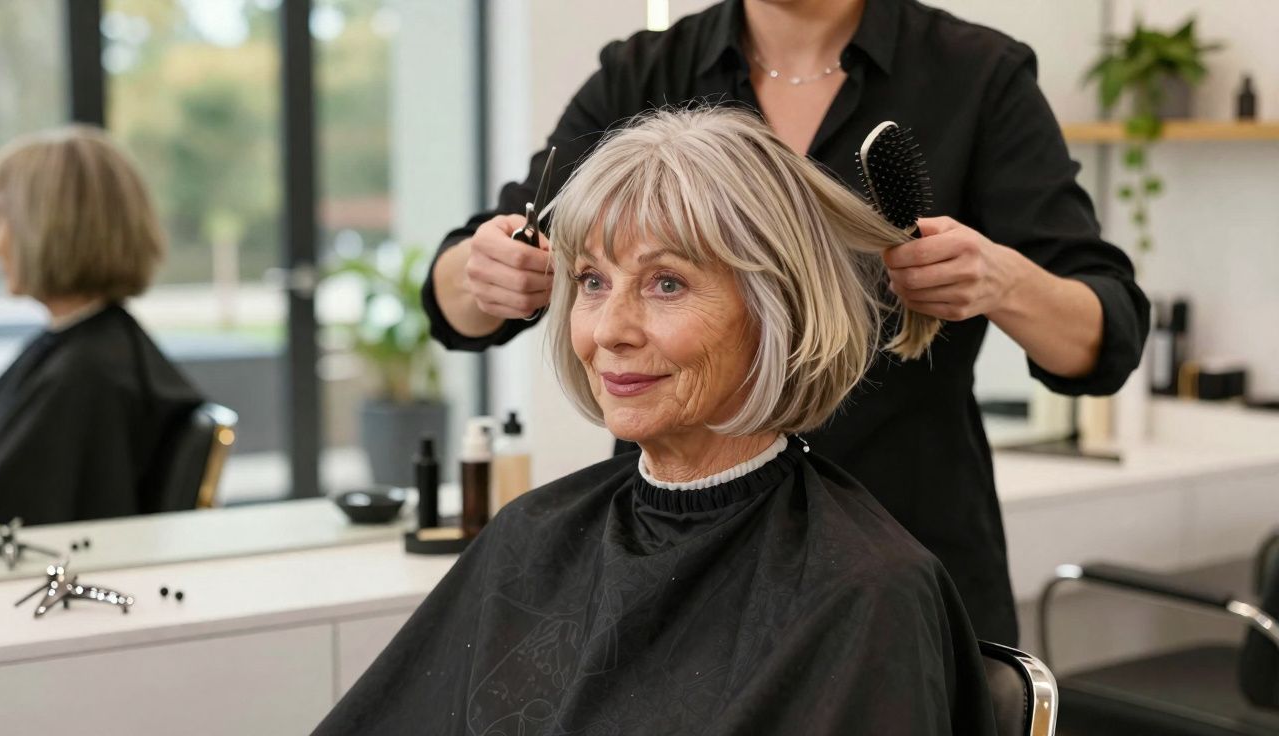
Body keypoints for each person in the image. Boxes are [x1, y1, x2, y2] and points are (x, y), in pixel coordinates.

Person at [422, 0, 1152, 645]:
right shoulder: (647, 72)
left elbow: (1106, 336)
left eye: (668, 283)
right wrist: (483, 272)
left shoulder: (975, 74)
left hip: (901, 543)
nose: (615, 325)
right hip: (677, 556)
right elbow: (465, 292)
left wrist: (1004, 281)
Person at [315, 109, 996, 735]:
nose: (610, 330)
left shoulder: (866, 590)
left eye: (666, 283)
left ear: (776, 311)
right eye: (590, 281)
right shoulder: (530, 536)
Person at [0, 126, 203, 528]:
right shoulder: (83, 348)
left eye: (4, 222)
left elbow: (1, 507)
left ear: (53, 229)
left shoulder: (87, 373)